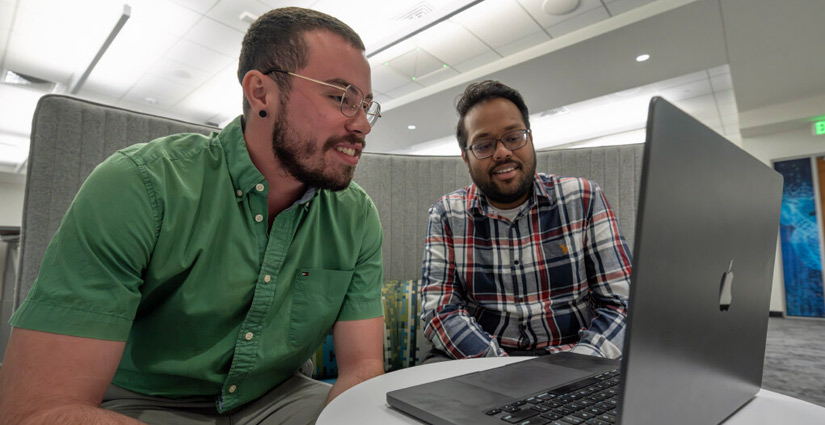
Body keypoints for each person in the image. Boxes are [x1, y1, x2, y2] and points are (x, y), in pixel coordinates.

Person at [0, 7, 385, 425]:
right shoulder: (139, 186)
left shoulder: (356, 216)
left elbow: (362, 366)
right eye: (340, 98)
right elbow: (38, 409)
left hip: (280, 396)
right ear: (261, 93)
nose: (363, 124)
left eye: (366, 105)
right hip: (143, 403)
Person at [420, 80, 632, 362]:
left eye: (513, 137)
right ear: (465, 157)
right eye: (484, 145)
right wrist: (501, 368)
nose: (502, 152)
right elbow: (439, 310)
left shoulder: (583, 198)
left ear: (530, 138)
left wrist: (581, 363)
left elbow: (622, 303)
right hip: (481, 361)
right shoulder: (446, 214)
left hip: (575, 356)